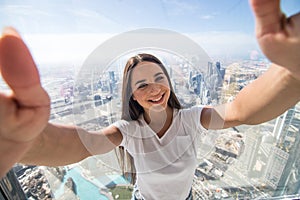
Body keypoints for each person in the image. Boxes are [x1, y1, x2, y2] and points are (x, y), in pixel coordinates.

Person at [0, 0, 299, 199]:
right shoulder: (128, 130)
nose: (154, 89)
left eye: (159, 79)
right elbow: (80, 145)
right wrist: (28, 141)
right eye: (141, 84)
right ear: (131, 94)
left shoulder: (191, 118)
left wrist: (291, 73)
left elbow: (240, 110)